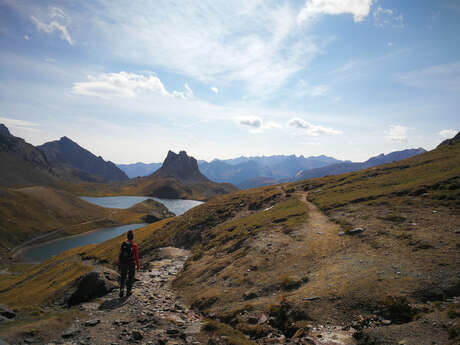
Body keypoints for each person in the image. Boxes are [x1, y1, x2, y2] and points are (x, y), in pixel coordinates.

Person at [118, 230, 140, 297]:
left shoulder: (123, 244)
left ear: (127, 237)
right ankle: (128, 291)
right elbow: (136, 256)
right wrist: (138, 265)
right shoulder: (134, 245)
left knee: (123, 276)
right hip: (131, 263)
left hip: (123, 263)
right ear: (133, 237)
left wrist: (119, 263)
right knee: (130, 277)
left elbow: (120, 253)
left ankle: (121, 289)